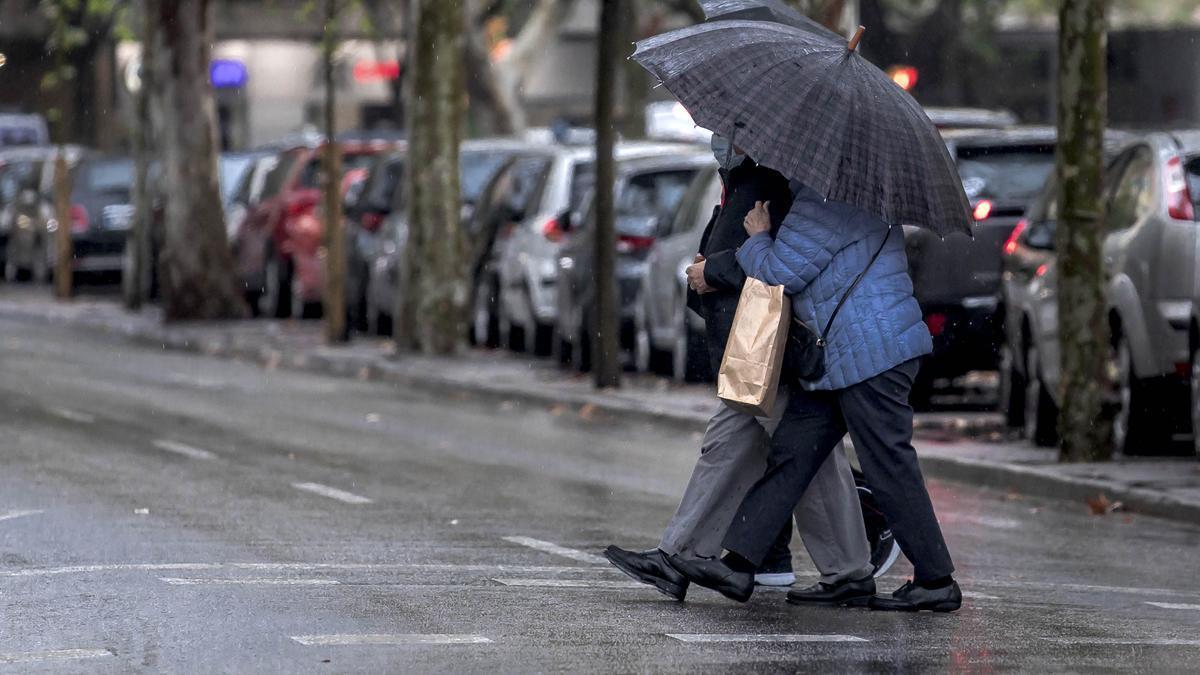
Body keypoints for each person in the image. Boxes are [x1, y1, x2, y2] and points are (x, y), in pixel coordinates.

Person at [603, 136, 883, 607]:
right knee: (732, 446)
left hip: (765, 341)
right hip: (750, 338)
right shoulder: (748, 178)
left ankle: (849, 570)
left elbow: (782, 258)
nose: (717, 137)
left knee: (806, 457)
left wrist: (713, 270)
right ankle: (677, 555)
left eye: (725, 131)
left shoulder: (767, 177)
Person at [667, 186, 962, 612]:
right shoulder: (863, 197)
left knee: (888, 464)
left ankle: (937, 580)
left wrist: (757, 236)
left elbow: (779, 272)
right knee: (793, 452)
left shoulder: (825, 203)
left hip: (872, 352)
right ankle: (739, 564)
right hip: (844, 354)